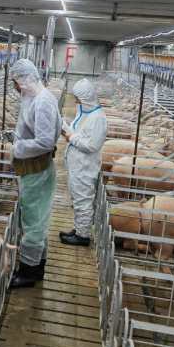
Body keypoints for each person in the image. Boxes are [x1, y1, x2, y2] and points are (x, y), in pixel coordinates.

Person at [8, 59, 62, 288]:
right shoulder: (34, 98)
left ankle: (28, 272)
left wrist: (16, 148)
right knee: (35, 219)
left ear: (25, 78)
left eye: (16, 81)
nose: (15, 86)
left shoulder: (43, 102)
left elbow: (45, 141)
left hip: (36, 169)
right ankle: (36, 265)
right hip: (33, 167)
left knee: (33, 222)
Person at [59, 78, 107, 247]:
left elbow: (92, 145)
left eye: (78, 99)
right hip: (78, 166)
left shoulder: (98, 118)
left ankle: (83, 236)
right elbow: (80, 134)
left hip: (85, 168)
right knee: (78, 199)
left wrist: (71, 137)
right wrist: (66, 128)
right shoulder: (88, 114)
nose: (76, 102)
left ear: (86, 98)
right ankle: (79, 229)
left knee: (83, 200)